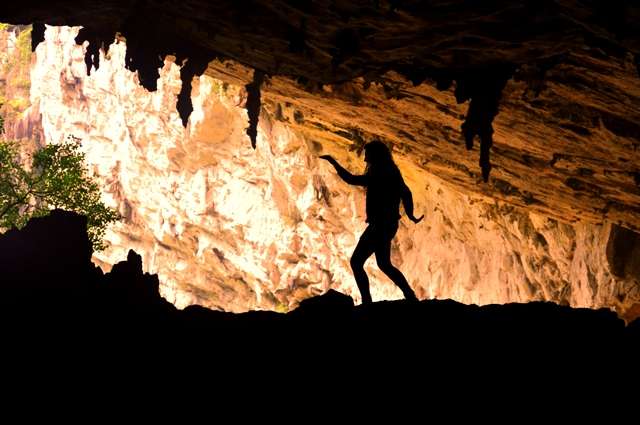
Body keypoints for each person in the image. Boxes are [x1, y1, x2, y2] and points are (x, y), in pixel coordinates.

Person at [320, 140, 423, 304]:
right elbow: (406, 192)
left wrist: (333, 162)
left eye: (367, 155)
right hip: (388, 224)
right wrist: (410, 214)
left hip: (380, 226)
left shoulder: (380, 173)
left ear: (375, 156)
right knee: (384, 264)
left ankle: (368, 301)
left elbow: (351, 179)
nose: (365, 159)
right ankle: (409, 295)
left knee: (356, 262)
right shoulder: (391, 171)